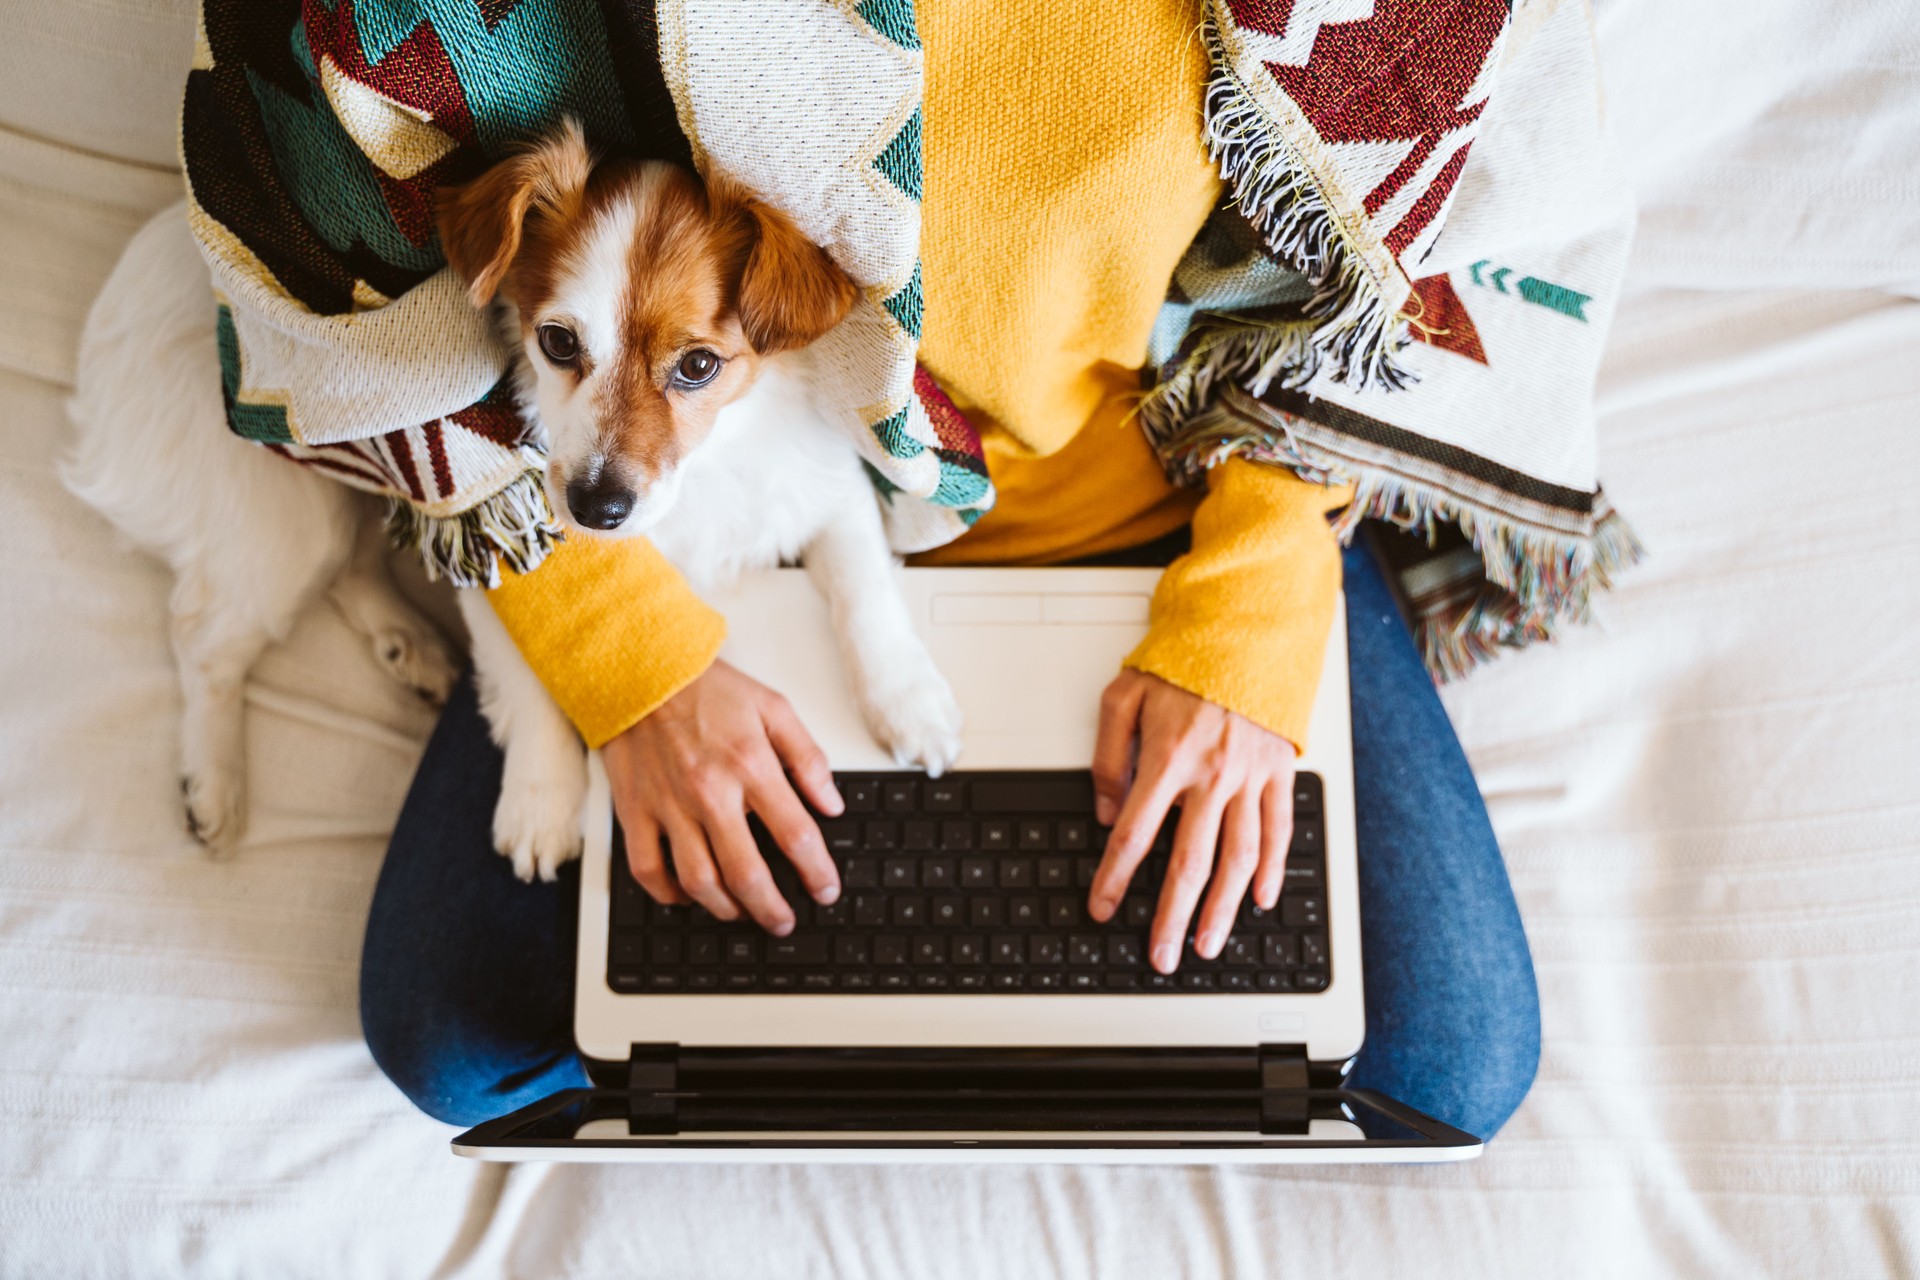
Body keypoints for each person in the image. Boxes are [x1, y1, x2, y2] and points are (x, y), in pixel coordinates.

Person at [352, 2, 1541, 1139]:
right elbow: (367, 252)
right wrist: (623, 654)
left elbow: (1394, 255)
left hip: (1180, 489)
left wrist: (1252, 615)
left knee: (1448, 1065)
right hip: (713, 522)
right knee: (457, 1040)